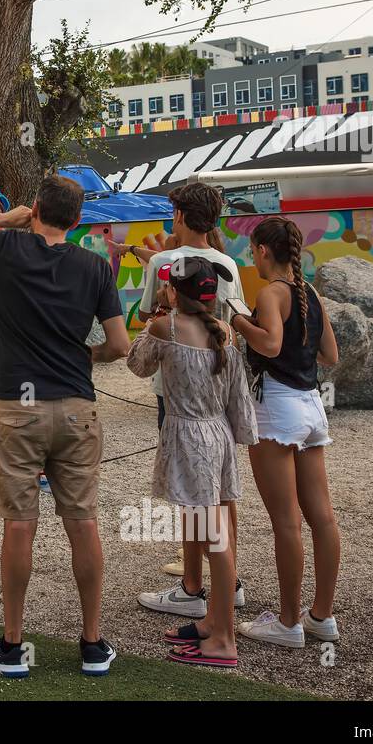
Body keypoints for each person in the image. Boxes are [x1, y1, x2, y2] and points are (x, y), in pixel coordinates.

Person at [0, 174, 130, 679]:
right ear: (77, 220)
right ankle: (92, 643)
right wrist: (88, 356)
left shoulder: (7, 249)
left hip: (17, 408)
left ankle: (14, 644)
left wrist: (5, 218)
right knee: (82, 521)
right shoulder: (94, 267)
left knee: (20, 524)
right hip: (77, 406)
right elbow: (120, 345)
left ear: (34, 208)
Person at [112, 182, 246, 618]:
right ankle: (229, 580)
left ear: (181, 216)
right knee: (222, 492)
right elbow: (232, 319)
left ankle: (193, 585)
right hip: (217, 388)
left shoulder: (165, 264)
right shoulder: (227, 263)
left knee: (190, 494)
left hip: (178, 395)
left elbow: (149, 316)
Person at [126, 256, 256, 667]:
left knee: (214, 538)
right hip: (217, 437)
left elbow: (137, 364)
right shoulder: (224, 333)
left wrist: (149, 324)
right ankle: (213, 620)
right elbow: (238, 397)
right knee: (209, 529)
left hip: (191, 440)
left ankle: (224, 640)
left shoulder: (165, 328)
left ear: (173, 291)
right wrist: (243, 437)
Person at [229, 216, 342, 648]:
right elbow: (330, 354)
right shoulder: (310, 292)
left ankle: (289, 622)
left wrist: (240, 321)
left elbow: (270, 344)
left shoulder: (271, 293)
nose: (252, 258)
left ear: (262, 250)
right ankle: (322, 616)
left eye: (252, 251)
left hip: (276, 408)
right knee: (322, 517)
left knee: (286, 521)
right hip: (311, 405)